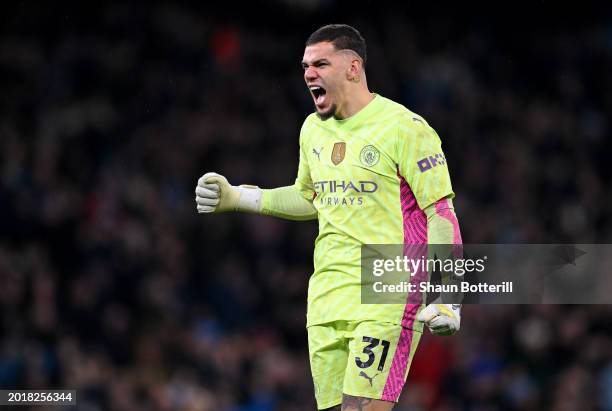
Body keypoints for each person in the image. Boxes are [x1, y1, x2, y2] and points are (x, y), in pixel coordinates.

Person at [195, 24, 462, 411]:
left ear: (353, 68)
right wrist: (239, 196)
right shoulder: (312, 130)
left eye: (321, 63)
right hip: (325, 298)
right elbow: (309, 197)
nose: (309, 74)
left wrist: (448, 292)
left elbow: (440, 212)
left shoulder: (405, 128)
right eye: (305, 66)